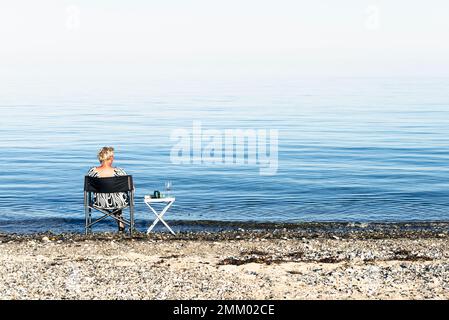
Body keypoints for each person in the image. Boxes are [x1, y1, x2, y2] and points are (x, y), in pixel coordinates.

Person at [87, 146, 128, 233]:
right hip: (118, 202)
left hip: (99, 202)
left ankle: (89, 227)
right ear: (111, 158)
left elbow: (89, 188)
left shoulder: (92, 172)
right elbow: (131, 189)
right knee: (118, 197)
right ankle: (121, 222)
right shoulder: (119, 172)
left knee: (115, 196)